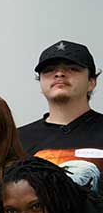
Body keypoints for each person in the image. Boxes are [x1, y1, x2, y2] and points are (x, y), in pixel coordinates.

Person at [19, 41, 103, 193]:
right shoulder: (17, 139)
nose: (59, 74)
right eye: (49, 70)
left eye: (73, 69)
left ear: (92, 82)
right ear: (40, 82)